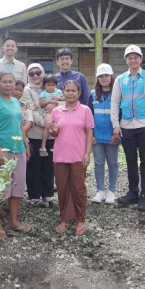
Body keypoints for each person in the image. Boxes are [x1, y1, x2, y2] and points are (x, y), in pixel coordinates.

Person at [110, 45, 145, 211]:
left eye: (135, 57)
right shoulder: (120, 79)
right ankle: (133, 192)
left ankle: (144, 194)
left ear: (141, 59)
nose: (133, 60)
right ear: (126, 60)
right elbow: (114, 102)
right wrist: (116, 125)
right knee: (130, 160)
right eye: (129, 58)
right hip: (126, 126)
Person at [0, 72, 32, 238]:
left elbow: (19, 125)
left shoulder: (16, 102)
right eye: (4, 82)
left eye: (11, 82)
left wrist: (26, 144)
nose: (8, 85)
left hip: (18, 149)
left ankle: (13, 221)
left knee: (17, 186)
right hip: (0, 149)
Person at [48, 80, 94, 235]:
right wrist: (53, 130)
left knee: (79, 187)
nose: (70, 93)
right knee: (62, 188)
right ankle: (65, 219)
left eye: (73, 91)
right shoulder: (56, 111)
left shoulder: (85, 110)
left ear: (78, 93)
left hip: (78, 155)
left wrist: (87, 153)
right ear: (63, 92)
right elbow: (54, 133)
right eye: (67, 90)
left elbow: (89, 133)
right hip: (60, 155)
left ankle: (80, 220)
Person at [21, 63, 54, 207]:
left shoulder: (50, 87)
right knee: (34, 166)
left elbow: (58, 105)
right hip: (35, 132)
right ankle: (34, 196)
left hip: (50, 134)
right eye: (32, 73)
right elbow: (30, 110)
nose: (35, 76)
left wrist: (52, 123)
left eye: (38, 73)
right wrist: (48, 123)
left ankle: (48, 195)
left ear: (43, 73)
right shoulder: (26, 90)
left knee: (48, 165)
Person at [90, 64, 119, 204]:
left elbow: (120, 115)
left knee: (113, 163)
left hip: (112, 135)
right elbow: (89, 115)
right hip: (96, 136)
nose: (104, 78)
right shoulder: (92, 94)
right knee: (98, 163)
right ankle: (100, 191)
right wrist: (91, 135)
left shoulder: (117, 93)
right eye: (101, 76)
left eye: (106, 75)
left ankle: (111, 191)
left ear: (111, 76)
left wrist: (116, 134)